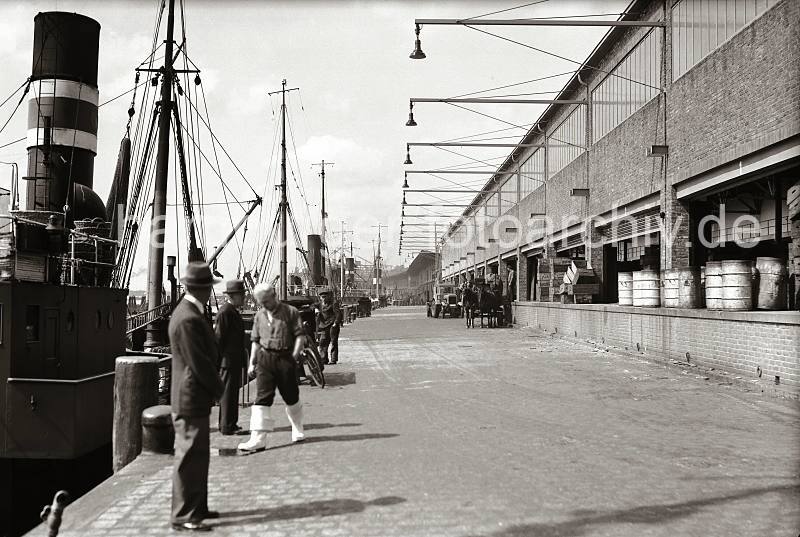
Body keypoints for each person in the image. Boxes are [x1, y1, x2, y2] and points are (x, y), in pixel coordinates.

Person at [168, 262, 224, 532]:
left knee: (198, 454)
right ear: (200, 289)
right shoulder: (188, 318)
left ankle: (197, 507)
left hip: (193, 396)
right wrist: (219, 388)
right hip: (190, 395)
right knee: (189, 456)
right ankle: (184, 514)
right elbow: (198, 362)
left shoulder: (189, 312)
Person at [237, 282, 306, 452]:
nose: (264, 305)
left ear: (274, 296)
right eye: (261, 303)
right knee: (262, 398)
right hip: (265, 359)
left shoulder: (290, 312)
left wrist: (293, 357)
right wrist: (252, 361)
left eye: (266, 301)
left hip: (285, 357)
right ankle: (258, 439)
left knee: (291, 396)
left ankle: (297, 428)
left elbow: (299, 337)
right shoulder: (260, 315)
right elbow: (255, 340)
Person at [214, 279, 247, 436]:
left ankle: (230, 423)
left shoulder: (231, 311)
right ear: (234, 296)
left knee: (232, 393)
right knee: (228, 393)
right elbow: (219, 339)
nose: (244, 297)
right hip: (227, 361)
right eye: (242, 294)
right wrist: (219, 361)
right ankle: (227, 426)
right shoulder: (225, 312)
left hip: (232, 359)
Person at [315, 289, 342, 365]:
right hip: (323, 326)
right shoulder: (319, 304)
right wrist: (316, 309)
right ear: (320, 297)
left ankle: (333, 359)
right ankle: (324, 359)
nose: (324, 298)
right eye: (322, 297)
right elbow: (311, 305)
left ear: (328, 297)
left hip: (332, 325)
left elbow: (338, 314)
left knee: (333, 342)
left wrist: (336, 323)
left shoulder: (333, 304)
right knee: (322, 342)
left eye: (325, 297)